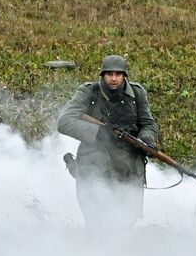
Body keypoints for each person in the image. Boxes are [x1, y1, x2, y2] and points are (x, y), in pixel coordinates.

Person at [57, 54, 160, 236]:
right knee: (98, 223)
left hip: (129, 169)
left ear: (124, 76)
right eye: (109, 74)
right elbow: (64, 122)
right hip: (95, 167)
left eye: (118, 74)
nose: (113, 79)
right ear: (102, 75)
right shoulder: (89, 92)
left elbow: (148, 124)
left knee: (125, 223)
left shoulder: (137, 93)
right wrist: (98, 133)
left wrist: (146, 140)